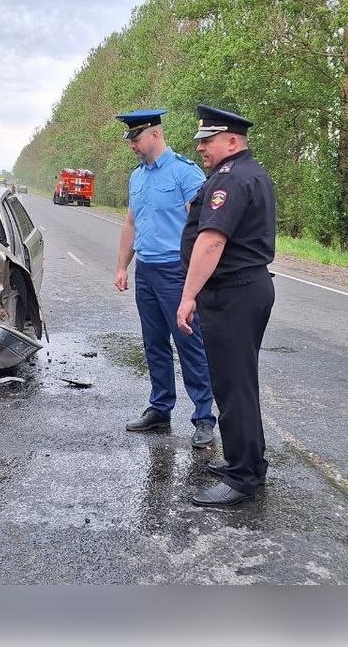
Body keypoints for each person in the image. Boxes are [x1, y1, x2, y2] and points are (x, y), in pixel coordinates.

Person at [177, 104, 276, 507]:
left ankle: (243, 476)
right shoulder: (242, 173)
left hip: (233, 293)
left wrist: (187, 296)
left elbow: (212, 241)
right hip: (240, 290)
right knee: (237, 383)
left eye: (208, 140)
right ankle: (249, 461)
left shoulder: (231, 180)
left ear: (232, 140)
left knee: (233, 385)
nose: (201, 146)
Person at [113, 108, 217, 449]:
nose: (132, 144)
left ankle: (203, 417)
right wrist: (121, 266)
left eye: (137, 138)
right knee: (154, 344)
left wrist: (199, 279)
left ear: (155, 134)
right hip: (146, 270)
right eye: (130, 139)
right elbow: (131, 223)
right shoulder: (137, 177)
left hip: (176, 272)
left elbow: (204, 229)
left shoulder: (184, 174)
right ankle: (160, 407)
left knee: (189, 344)